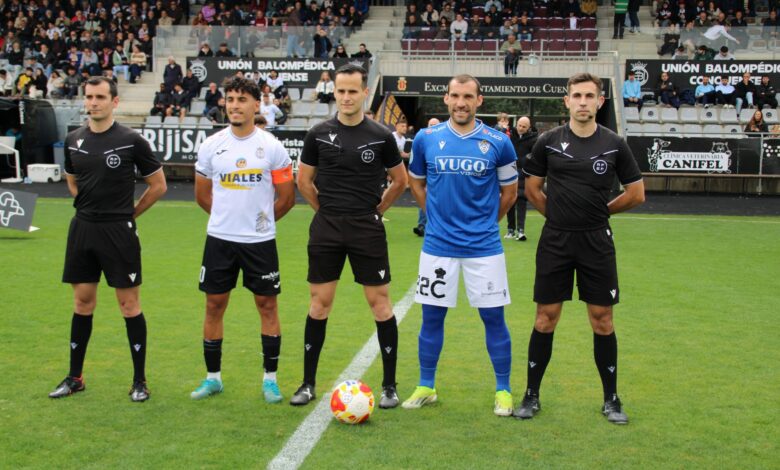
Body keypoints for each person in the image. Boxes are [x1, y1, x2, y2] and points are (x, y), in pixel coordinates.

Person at [517, 72, 645, 425]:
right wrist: (559, 217)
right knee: (545, 317)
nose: (583, 102)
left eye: (590, 96)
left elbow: (636, 194)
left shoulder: (614, 143)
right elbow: (533, 190)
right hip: (556, 241)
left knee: (602, 319)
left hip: (596, 241)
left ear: (600, 101)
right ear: (567, 101)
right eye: (577, 96)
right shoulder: (548, 141)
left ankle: (611, 399)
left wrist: (602, 213)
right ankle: (531, 395)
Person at [291, 64, 408, 408]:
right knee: (319, 304)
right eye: (340, 91)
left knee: (380, 304)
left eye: (352, 91)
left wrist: (376, 212)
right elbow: (303, 181)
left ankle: (389, 387)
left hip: (366, 229)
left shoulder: (381, 136)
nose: (345, 97)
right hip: (326, 228)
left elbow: (400, 181)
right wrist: (325, 211)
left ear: (364, 93)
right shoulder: (318, 133)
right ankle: (307, 384)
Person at [403, 74, 518, 416]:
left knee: (494, 318)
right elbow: (416, 183)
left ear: (479, 101)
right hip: (438, 247)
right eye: (455, 96)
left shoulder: (499, 142)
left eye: (468, 96)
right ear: (446, 98)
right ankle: (426, 385)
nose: (461, 103)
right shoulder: (426, 138)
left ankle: (503, 390)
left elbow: (510, 192)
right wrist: (433, 216)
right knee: (431, 317)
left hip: (484, 248)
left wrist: (487, 224)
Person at [49, 76, 167, 402]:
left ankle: (139, 381)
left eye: (100, 97)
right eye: (89, 97)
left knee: (129, 305)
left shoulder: (131, 140)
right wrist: (89, 207)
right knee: (82, 302)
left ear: (114, 101)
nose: (94, 102)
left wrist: (130, 214)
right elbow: (72, 181)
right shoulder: (73, 139)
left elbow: (158, 186)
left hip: (118, 231)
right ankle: (75, 377)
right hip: (83, 229)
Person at [191, 76, 295, 402]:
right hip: (219, 240)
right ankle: (213, 378)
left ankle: (270, 380)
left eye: (242, 99)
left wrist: (260, 223)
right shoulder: (211, 145)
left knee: (267, 306)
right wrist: (227, 220)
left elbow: (287, 198)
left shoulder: (272, 147)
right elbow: (202, 196)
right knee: (214, 305)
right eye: (230, 99)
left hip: (259, 244)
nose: (235, 105)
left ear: (255, 104)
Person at [507, 116, 536, 241]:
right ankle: (510, 230)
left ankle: (520, 230)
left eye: (524, 126)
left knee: (521, 201)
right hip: (510, 172)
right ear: (517, 124)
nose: (521, 128)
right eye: (520, 125)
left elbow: (534, 156)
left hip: (524, 174)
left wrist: (525, 162)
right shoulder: (509, 136)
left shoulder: (534, 139)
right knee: (509, 201)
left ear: (529, 128)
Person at [412, 117, 439, 237]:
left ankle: (436, 225)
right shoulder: (422, 139)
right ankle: (421, 226)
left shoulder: (446, 139)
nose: (433, 127)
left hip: (442, 177)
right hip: (427, 175)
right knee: (425, 198)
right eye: (431, 125)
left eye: (435, 125)